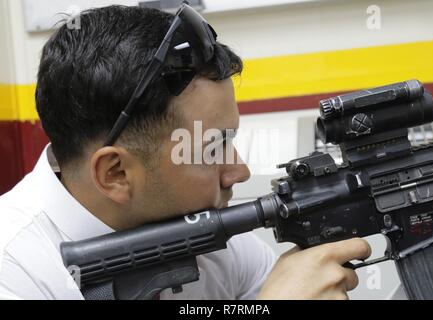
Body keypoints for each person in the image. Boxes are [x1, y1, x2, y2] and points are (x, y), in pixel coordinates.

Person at [0, 5, 370, 300]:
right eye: (213, 147)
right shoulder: (14, 269)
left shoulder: (216, 240)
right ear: (115, 173)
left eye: (231, 139)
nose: (238, 171)